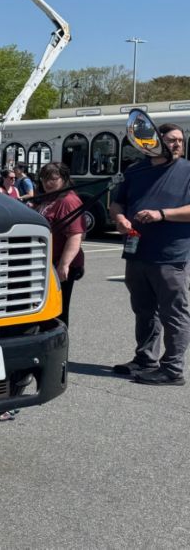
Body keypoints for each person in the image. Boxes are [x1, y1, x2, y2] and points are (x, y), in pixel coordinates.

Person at [109, 123, 190, 385]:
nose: (177, 144)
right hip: (137, 251)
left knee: (174, 312)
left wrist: (162, 214)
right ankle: (145, 359)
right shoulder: (136, 170)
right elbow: (117, 202)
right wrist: (120, 218)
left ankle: (172, 368)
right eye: (171, 140)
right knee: (144, 310)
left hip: (170, 255)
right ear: (154, 142)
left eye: (180, 140)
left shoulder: (187, 171)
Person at [36, 162, 85, 326]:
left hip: (59, 264)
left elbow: (75, 234)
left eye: (52, 179)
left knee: (58, 312)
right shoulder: (47, 197)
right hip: (46, 263)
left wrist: (64, 264)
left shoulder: (68, 201)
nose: (47, 183)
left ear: (63, 179)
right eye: (44, 179)